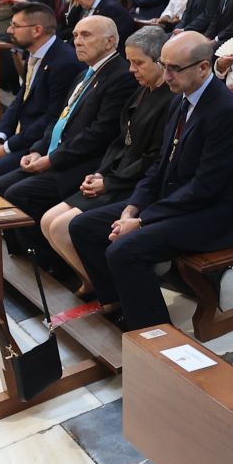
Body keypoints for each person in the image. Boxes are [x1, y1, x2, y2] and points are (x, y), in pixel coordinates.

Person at [67, 31, 233, 329]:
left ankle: (153, 332)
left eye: (174, 68)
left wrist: (143, 221)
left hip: (217, 214)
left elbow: (205, 187)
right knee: (82, 226)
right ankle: (119, 302)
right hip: (179, 200)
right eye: (163, 64)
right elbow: (160, 165)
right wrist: (134, 206)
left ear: (203, 68)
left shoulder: (224, 112)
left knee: (124, 250)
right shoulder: (181, 99)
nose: (165, 74)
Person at [39, 27, 176, 286]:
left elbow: (154, 158)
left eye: (138, 63)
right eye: (130, 62)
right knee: (48, 221)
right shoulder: (142, 89)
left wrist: (110, 182)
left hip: (133, 183)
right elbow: (118, 140)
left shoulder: (170, 99)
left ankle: (108, 290)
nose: (131, 69)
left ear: (160, 62)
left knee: (62, 227)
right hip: (116, 174)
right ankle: (92, 281)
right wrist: (100, 173)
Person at [0, 14, 137, 226]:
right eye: (76, 35)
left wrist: (52, 159)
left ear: (110, 41)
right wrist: (37, 150)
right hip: (58, 153)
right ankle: (25, 249)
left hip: (83, 163)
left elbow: (100, 134)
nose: (77, 41)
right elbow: (61, 118)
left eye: (86, 35)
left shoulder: (121, 76)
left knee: (16, 192)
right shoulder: (86, 73)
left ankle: (44, 255)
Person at [0, 2, 84, 187]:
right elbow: (20, 100)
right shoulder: (35, 53)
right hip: (23, 133)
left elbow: (53, 118)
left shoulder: (64, 63)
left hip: (41, 142)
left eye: (15, 25)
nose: (9, 29)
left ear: (37, 30)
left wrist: (7, 148)